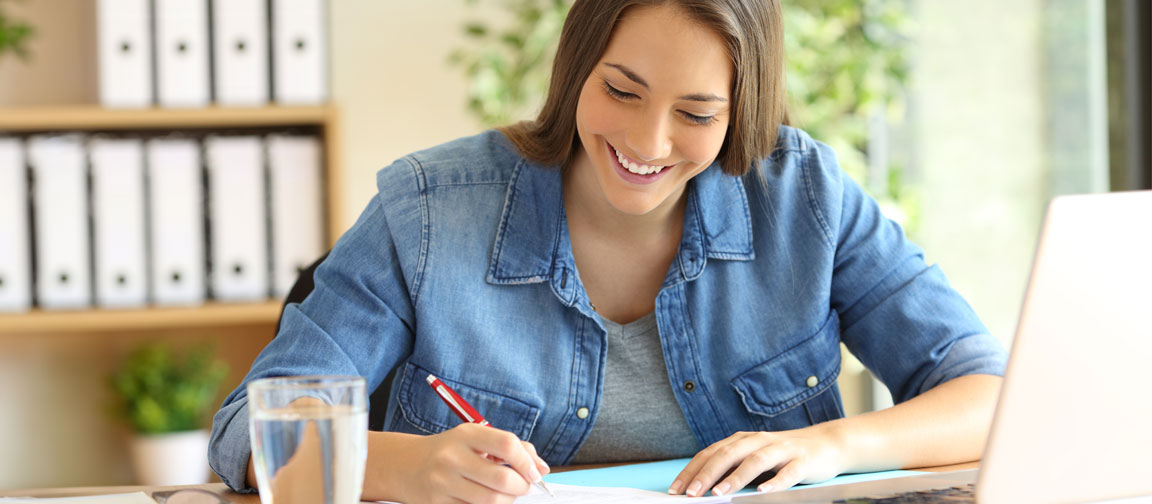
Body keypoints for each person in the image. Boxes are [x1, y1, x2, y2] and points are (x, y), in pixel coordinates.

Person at [209, 0, 1008, 502]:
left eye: (696, 114)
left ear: (741, 114)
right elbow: (252, 429)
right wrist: (404, 469)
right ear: (575, 70)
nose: (647, 141)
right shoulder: (427, 212)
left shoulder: (805, 197)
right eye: (621, 91)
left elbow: (988, 392)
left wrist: (827, 446)